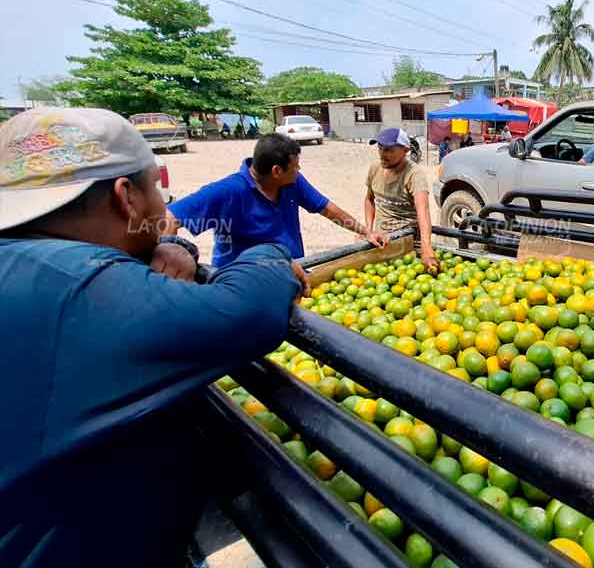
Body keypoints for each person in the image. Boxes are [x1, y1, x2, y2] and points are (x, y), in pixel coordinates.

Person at [0, 108, 303, 567]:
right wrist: (272, 254)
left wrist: (175, 244)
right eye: (158, 190)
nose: (164, 206)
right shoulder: (85, 291)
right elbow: (251, 310)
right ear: (127, 197)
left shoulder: (26, 265)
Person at [166, 133, 387, 267]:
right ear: (276, 171)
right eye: (295, 166)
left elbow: (327, 209)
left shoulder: (293, 183)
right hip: (244, 286)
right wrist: (173, 263)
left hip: (290, 273)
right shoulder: (229, 191)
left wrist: (365, 231)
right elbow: (167, 219)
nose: (299, 170)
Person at [365, 128, 438, 272]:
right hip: (382, 239)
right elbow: (369, 199)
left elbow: (423, 211)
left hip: (407, 240)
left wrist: (426, 247)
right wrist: (368, 230)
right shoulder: (375, 169)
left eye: (389, 150)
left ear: (406, 150)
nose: (383, 154)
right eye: (380, 148)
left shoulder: (414, 175)